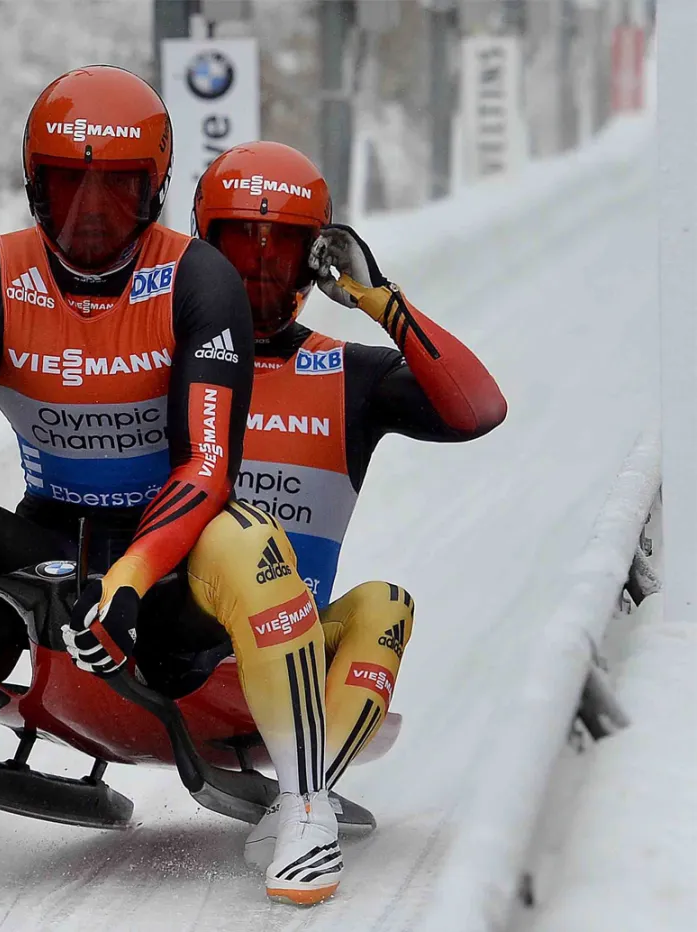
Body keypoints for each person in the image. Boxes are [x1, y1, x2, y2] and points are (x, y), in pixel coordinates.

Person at [0, 66, 343, 905]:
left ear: (155, 191)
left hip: (170, 552)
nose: (90, 217)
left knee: (254, 549)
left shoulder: (199, 280)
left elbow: (205, 464)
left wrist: (133, 580)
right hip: (48, 533)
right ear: (35, 187)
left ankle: (305, 805)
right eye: (69, 189)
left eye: (117, 191)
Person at [190, 140, 507, 868]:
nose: (260, 269)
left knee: (385, 604)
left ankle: (305, 794)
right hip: (162, 645)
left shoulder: (345, 373)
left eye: (282, 251)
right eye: (241, 247)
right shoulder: (168, 354)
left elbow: (477, 409)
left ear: (313, 261)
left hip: (284, 660)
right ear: (206, 246)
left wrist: (379, 301)